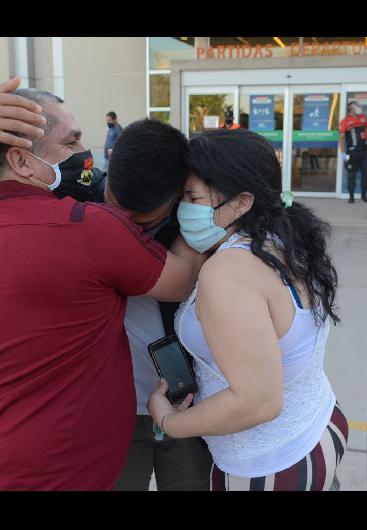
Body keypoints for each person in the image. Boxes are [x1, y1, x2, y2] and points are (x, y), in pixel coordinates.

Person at [0, 77, 214, 491]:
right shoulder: (83, 205)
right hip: (116, 421)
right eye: (71, 142)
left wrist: (201, 212)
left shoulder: (194, 212)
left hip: (188, 398)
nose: (82, 154)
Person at [147, 128, 348, 491]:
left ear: (241, 202)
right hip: (316, 424)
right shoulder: (284, 237)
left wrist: (169, 423)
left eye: (192, 197)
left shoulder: (229, 273)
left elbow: (257, 402)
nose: (182, 210)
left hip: (268, 465)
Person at [338, 100, 367, 203]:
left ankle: (364, 195)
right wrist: (342, 153)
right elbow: (341, 138)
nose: (359, 108)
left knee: (366, 173)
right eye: (356, 106)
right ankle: (351, 196)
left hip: (365, 151)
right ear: (351, 109)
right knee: (351, 175)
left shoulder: (363, 118)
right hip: (352, 152)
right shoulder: (345, 121)